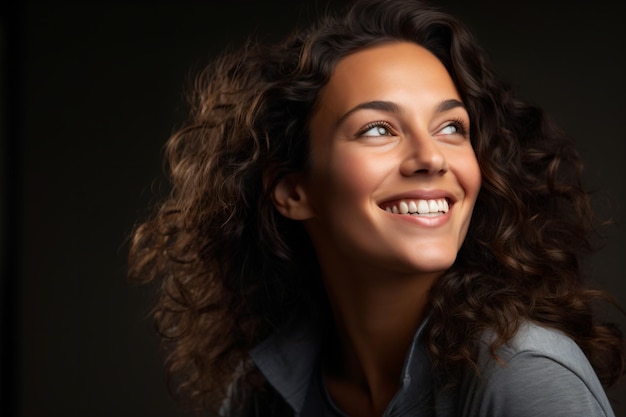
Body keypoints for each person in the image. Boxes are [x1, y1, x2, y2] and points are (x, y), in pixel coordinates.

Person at [128, 0, 625, 415]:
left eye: (452, 127)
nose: (431, 157)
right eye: (378, 129)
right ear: (293, 191)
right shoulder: (261, 394)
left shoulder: (524, 376)